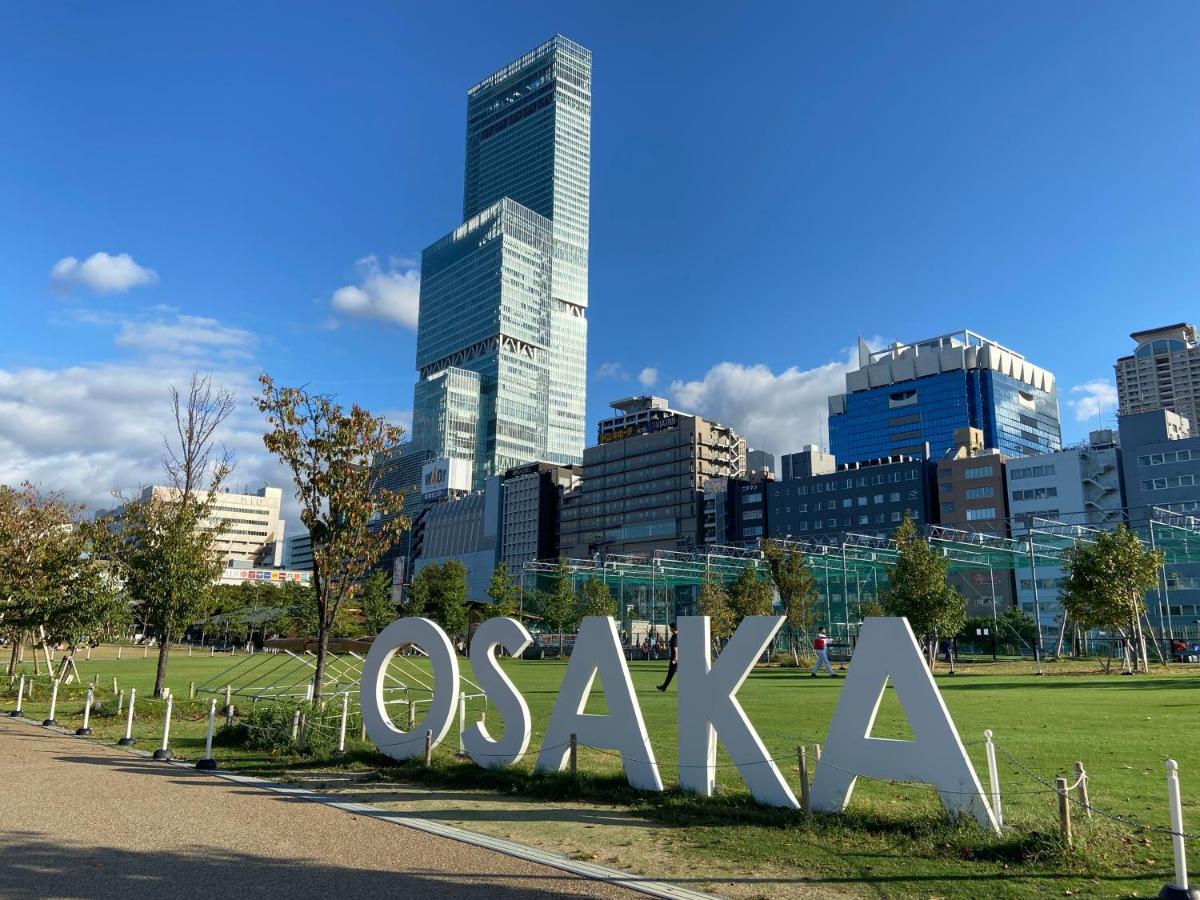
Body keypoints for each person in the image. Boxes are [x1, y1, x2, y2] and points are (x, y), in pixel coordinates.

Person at [657, 622, 679, 692]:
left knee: (671, 673)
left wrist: (675, 658)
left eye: (670, 627)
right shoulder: (678, 635)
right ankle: (664, 687)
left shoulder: (675, 636)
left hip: (675, 658)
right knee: (670, 673)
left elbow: (675, 648)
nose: (669, 629)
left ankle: (664, 687)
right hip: (675, 657)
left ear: (673, 628)